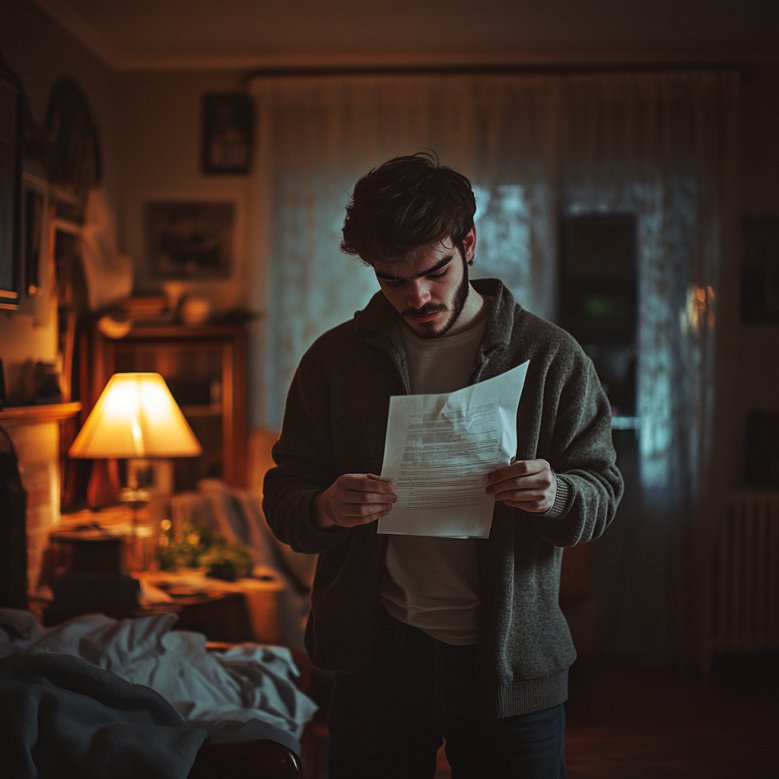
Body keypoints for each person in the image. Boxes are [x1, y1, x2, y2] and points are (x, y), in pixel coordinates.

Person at [263, 152, 624, 779]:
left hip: (511, 667)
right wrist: (323, 506)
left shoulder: (551, 356)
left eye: (434, 271)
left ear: (470, 243)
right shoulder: (334, 361)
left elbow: (602, 490)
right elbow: (283, 494)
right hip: (375, 660)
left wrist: (557, 495)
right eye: (392, 280)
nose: (418, 296)